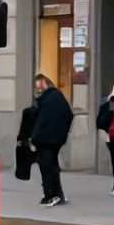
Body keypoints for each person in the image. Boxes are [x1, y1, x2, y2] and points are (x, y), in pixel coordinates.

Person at [29, 75, 71, 207]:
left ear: (44, 83)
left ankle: (51, 195)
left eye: (39, 85)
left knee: (47, 167)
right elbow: (69, 115)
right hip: (55, 139)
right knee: (52, 166)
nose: (37, 89)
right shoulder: (57, 97)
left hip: (45, 139)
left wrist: (33, 137)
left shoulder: (48, 100)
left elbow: (41, 121)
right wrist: (62, 132)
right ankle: (56, 195)